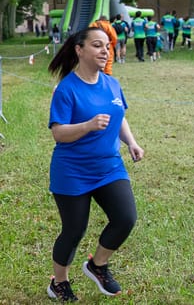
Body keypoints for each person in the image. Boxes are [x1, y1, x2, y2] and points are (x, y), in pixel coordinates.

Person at [46, 27, 144, 302]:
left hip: (109, 167)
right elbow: (59, 133)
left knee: (125, 218)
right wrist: (88, 125)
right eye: (98, 45)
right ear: (80, 50)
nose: (105, 51)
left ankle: (97, 264)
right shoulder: (67, 89)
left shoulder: (112, 83)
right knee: (74, 230)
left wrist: (131, 143)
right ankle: (59, 282)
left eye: (108, 46)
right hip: (72, 171)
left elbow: (119, 116)